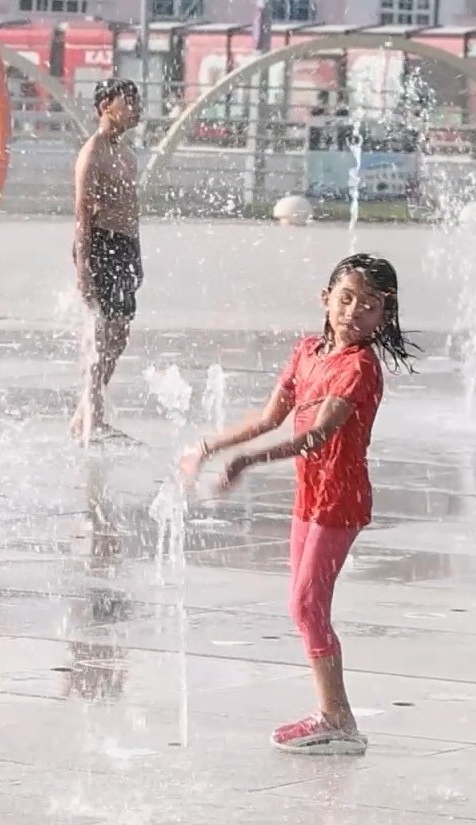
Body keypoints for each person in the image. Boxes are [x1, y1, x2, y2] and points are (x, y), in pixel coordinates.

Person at [183, 253, 419, 754]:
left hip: (341, 499)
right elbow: (270, 418)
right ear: (325, 298)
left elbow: (317, 436)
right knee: (304, 607)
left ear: (386, 316)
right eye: (347, 298)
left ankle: (338, 718)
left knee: (307, 604)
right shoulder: (307, 352)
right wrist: (212, 446)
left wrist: (246, 463)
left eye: (371, 306)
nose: (354, 312)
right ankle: (333, 714)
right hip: (310, 496)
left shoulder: (360, 367)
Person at [70, 77, 143, 443]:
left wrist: (138, 255)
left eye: (136, 101)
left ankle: (85, 413)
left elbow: (133, 210)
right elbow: (82, 213)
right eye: (128, 101)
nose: (136, 108)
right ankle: (91, 419)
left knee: (121, 334)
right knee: (101, 335)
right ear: (105, 107)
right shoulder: (93, 152)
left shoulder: (127, 154)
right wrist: (83, 266)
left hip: (125, 247)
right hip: (100, 245)